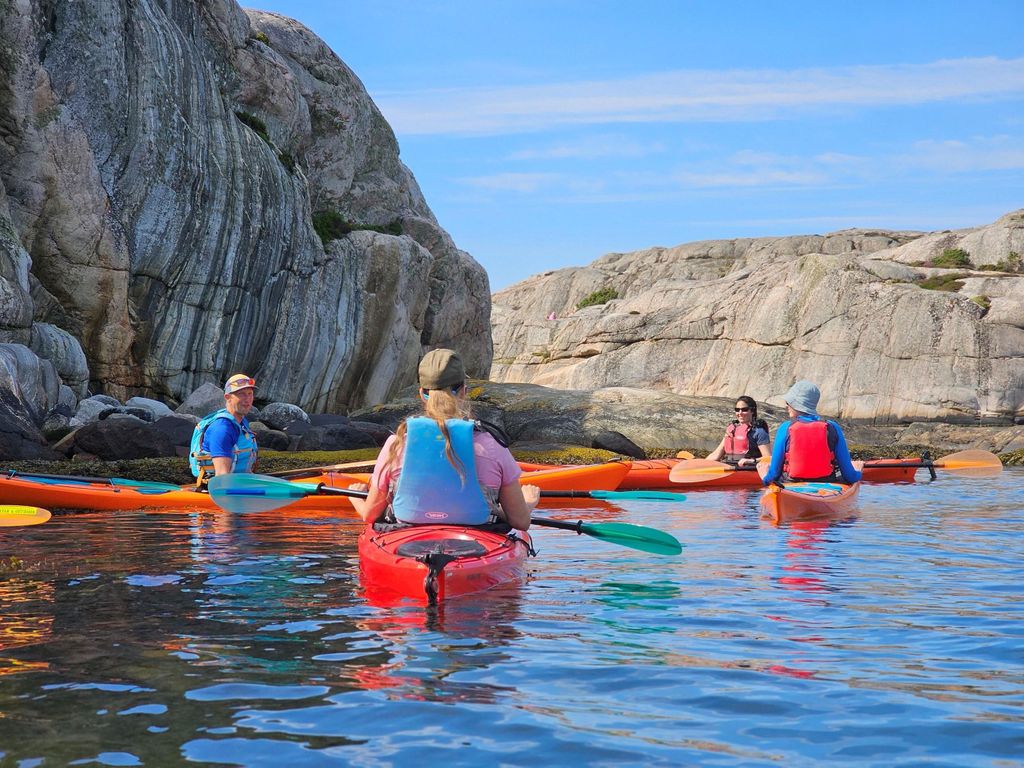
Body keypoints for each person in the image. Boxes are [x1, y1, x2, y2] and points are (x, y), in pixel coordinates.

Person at [349, 348, 538, 531]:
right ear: (463, 391)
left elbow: (370, 515)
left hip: (408, 540)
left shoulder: (396, 444)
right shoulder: (492, 445)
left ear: (423, 393)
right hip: (476, 540)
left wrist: (356, 498)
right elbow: (520, 521)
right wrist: (528, 502)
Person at [762, 380, 862, 486]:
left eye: (788, 402)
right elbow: (850, 476)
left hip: (790, 484)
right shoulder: (833, 427)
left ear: (796, 404)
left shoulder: (785, 428)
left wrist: (764, 476)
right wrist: (858, 471)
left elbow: (773, 475)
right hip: (827, 484)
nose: (786, 406)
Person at [189, 373, 259, 487]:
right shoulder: (222, 429)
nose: (247, 400)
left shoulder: (241, 422)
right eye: (241, 394)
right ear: (228, 397)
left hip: (239, 483)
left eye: (250, 394)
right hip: (217, 489)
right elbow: (222, 475)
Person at [706, 395, 771, 467]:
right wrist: (700, 464)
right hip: (729, 468)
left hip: (748, 469)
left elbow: (768, 458)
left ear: (752, 411)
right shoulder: (731, 429)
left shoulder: (759, 431)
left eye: (744, 409)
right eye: (737, 410)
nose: (740, 413)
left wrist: (752, 461)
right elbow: (716, 454)